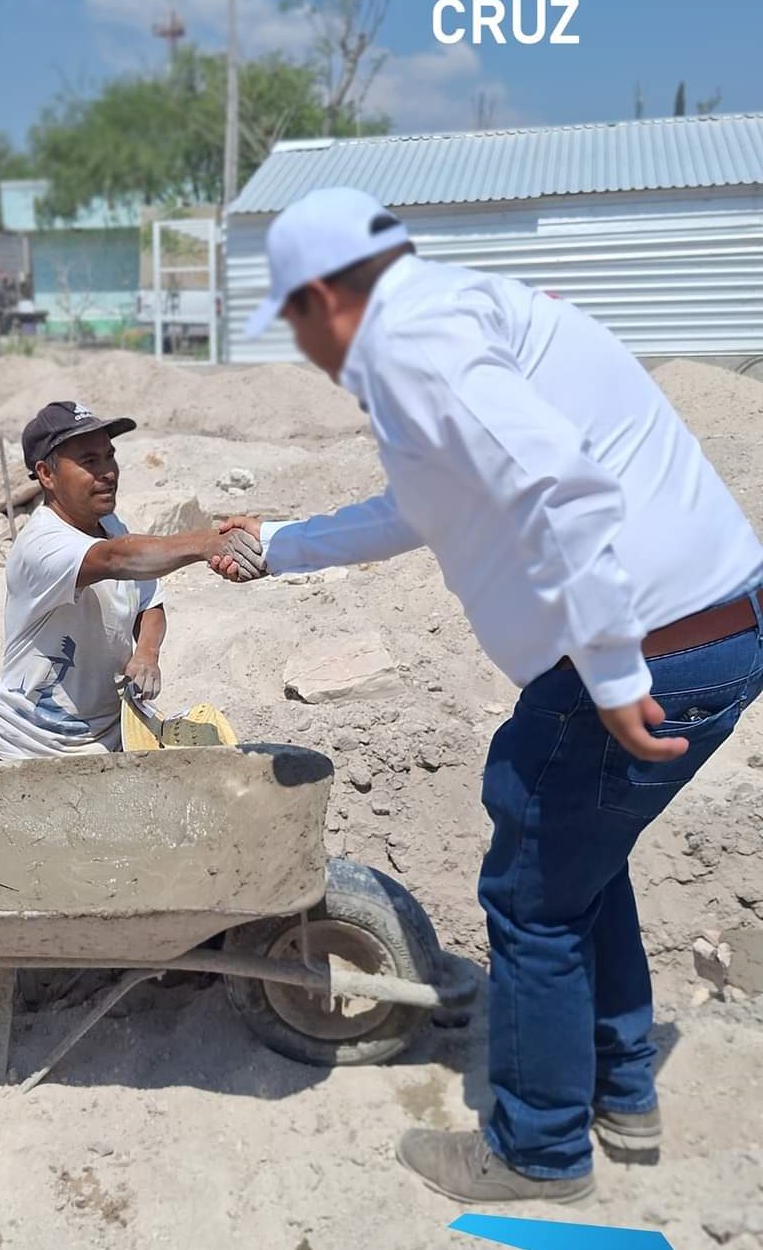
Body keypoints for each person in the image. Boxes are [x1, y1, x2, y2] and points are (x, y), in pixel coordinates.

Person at [210, 187, 763, 1204]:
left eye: (293, 319)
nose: (302, 345)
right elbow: (422, 505)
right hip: (717, 632)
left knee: (529, 898)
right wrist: (278, 546)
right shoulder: (459, 319)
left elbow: (564, 488)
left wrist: (609, 669)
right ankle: (621, 1088)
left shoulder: (410, 341)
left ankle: (539, 1152)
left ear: (327, 295)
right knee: (579, 867)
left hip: (652, 653)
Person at [0, 400, 258, 760]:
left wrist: (146, 654)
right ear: (46, 474)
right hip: (31, 742)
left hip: (107, 737)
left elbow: (148, 603)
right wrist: (205, 542)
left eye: (110, 456)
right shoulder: (41, 545)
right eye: (90, 462)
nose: (108, 472)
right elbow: (115, 559)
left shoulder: (111, 526)